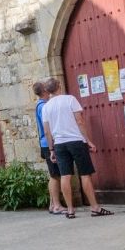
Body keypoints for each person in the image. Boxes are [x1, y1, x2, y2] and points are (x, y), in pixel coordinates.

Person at [41, 77, 113, 219]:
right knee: (85, 174)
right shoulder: (70, 100)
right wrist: (88, 140)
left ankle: (70, 210)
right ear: (59, 86)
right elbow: (80, 121)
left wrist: (51, 150)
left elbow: (47, 131)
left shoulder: (46, 107)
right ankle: (95, 208)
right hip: (76, 141)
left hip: (59, 144)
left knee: (65, 176)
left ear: (48, 91)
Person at [33, 81, 65, 214]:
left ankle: (53, 204)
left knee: (54, 174)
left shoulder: (42, 105)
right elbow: (47, 127)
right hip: (48, 143)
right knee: (55, 175)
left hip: (47, 143)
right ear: (45, 91)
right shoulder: (42, 106)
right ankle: (56, 205)